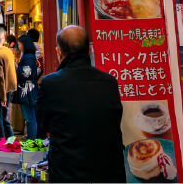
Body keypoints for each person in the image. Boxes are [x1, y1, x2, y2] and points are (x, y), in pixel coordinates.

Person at [37, 25, 125, 183]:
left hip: (68, 172)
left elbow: (43, 126)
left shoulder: (50, 84)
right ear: (89, 51)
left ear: (58, 52)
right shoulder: (110, 82)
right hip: (109, 172)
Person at [13, 34, 39, 139]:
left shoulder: (28, 58)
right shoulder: (30, 57)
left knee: (29, 118)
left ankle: (32, 140)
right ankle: (31, 138)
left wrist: (16, 67)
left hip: (27, 91)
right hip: (29, 89)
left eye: (19, 44)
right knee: (30, 118)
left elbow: (25, 73)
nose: (18, 46)